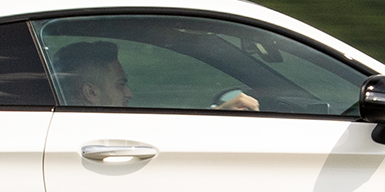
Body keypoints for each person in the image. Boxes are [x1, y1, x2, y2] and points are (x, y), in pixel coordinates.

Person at [54, 39, 259, 111]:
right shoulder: (104, 140)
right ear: (91, 92)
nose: (129, 93)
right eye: (120, 84)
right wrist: (219, 115)